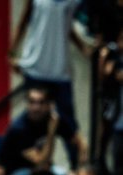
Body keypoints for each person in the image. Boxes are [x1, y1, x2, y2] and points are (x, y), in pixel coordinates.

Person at [11, 0, 90, 163]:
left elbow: (66, 27)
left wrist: (82, 47)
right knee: (33, 122)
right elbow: (24, 21)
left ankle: (77, 172)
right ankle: (34, 172)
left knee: (69, 125)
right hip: (36, 67)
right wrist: (12, 51)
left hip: (60, 70)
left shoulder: (72, 2)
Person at [0, 87, 86, 175]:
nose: (36, 107)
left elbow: (82, 144)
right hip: (18, 172)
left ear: (50, 105)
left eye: (41, 102)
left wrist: (77, 171)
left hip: (44, 170)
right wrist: (51, 133)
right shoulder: (19, 128)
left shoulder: (55, 119)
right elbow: (41, 162)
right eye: (32, 102)